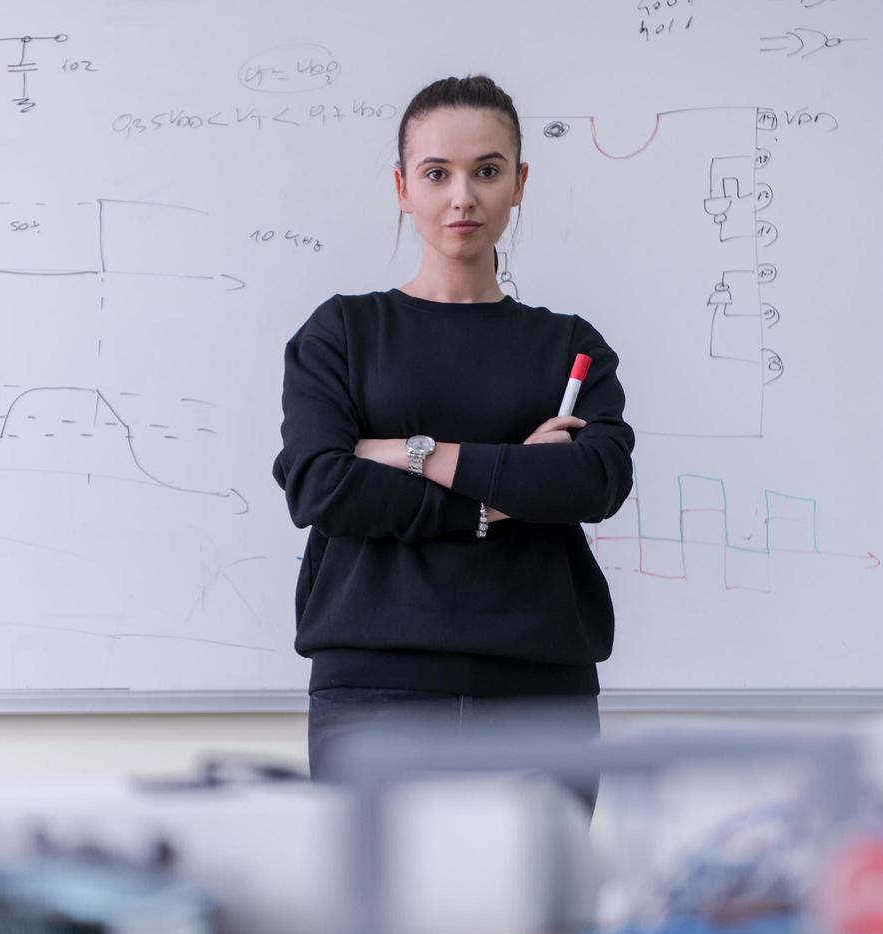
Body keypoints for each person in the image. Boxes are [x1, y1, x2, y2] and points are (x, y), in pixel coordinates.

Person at [271, 75, 635, 809]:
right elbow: (319, 483)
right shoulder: (340, 333)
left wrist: (412, 452)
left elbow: (593, 482)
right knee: (383, 923)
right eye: (437, 174)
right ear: (403, 188)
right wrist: (501, 494)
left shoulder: (569, 344)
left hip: (540, 688)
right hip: (374, 689)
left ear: (519, 183)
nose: (462, 197)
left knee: (539, 921)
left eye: (487, 171)